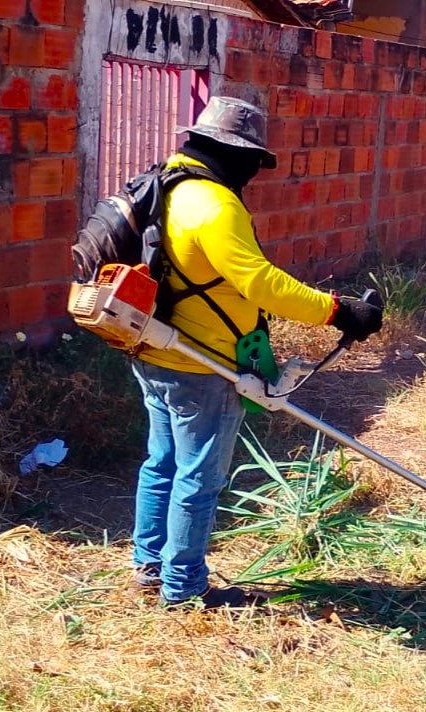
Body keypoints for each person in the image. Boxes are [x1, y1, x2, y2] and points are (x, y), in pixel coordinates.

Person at [130, 96, 383, 609]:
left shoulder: (163, 185)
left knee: (162, 462)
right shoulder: (214, 204)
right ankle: (184, 589)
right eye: (252, 161)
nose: (253, 173)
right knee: (199, 478)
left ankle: (150, 562)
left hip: (153, 347)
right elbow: (262, 284)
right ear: (234, 153)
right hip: (204, 362)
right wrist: (339, 311)